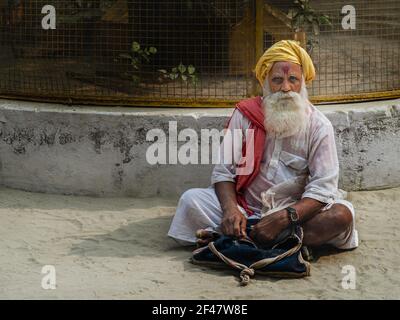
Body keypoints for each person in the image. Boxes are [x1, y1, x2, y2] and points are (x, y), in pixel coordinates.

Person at [168, 40, 358, 251]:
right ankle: (270, 240)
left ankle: (237, 239)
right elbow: (223, 172)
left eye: (292, 79)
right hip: (245, 206)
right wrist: (231, 210)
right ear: (266, 82)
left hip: (293, 212)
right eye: (277, 80)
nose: (285, 88)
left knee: (341, 215)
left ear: (303, 82)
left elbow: (323, 188)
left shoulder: (319, 126)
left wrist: (284, 218)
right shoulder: (244, 114)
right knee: (191, 200)